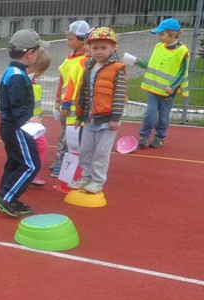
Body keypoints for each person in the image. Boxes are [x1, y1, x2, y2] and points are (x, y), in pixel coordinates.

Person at [0, 29, 49, 217]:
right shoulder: (17, 75)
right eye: (38, 51)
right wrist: (28, 121)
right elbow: (17, 106)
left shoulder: (14, 71)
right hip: (17, 128)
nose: (39, 55)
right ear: (29, 53)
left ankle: (7, 195)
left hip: (12, 126)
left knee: (16, 162)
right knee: (31, 164)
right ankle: (7, 197)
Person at [66, 27, 126, 194]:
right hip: (90, 119)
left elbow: (120, 95)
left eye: (103, 48)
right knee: (85, 150)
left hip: (107, 119)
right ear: (89, 48)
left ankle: (98, 181)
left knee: (101, 153)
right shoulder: (89, 67)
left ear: (113, 48)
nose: (99, 52)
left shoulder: (117, 68)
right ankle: (86, 176)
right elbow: (83, 93)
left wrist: (116, 117)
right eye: (95, 48)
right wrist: (79, 115)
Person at [136, 17, 190, 149]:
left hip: (167, 92)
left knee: (163, 116)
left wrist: (173, 86)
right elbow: (153, 64)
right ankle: (144, 136)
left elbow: (182, 71)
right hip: (153, 88)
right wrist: (139, 62)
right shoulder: (158, 46)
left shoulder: (182, 51)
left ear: (173, 33)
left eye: (162, 33)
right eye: (159, 34)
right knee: (150, 112)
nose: (159, 36)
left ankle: (159, 137)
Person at [50, 20, 90, 178]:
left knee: (72, 136)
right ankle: (61, 159)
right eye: (67, 38)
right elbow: (62, 79)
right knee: (64, 134)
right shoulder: (69, 57)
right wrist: (58, 99)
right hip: (65, 103)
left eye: (71, 39)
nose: (68, 42)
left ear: (83, 40)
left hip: (76, 105)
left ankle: (65, 164)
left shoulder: (86, 60)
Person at [27, 49, 51, 187]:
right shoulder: (26, 83)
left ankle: (30, 171)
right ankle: (33, 173)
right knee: (41, 146)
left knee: (35, 147)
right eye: (40, 70)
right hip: (29, 123)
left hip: (34, 122)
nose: (42, 74)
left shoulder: (34, 82)